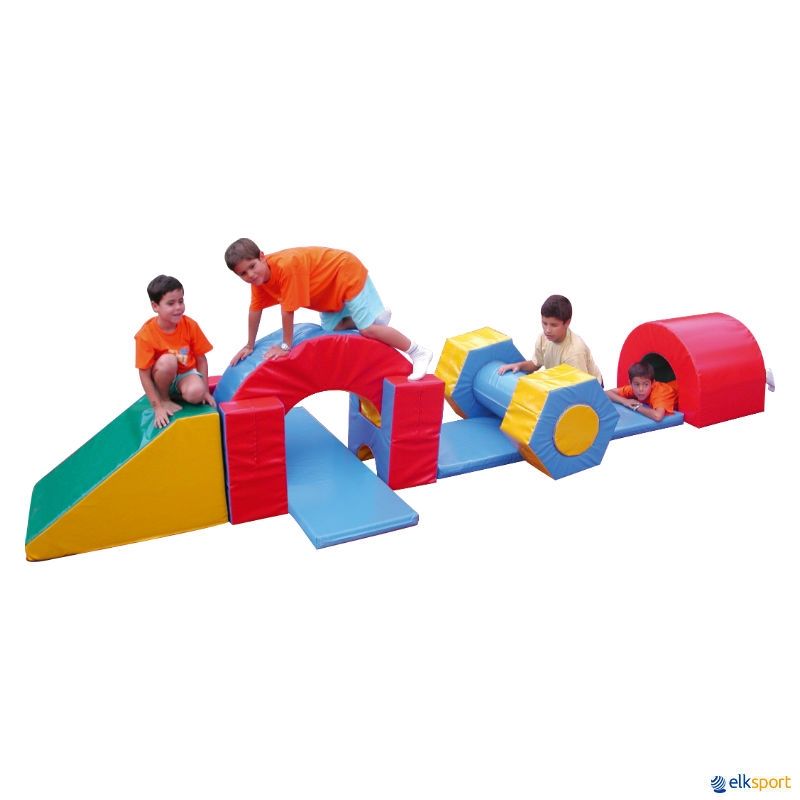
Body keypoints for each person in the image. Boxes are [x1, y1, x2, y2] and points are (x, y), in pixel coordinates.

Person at [224, 240, 433, 380]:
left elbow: (287, 311)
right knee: (331, 331)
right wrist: (249, 345)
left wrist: (286, 346)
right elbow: (255, 311)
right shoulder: (259, 282)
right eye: (243, 274)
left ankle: (418, 351)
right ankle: (372, 317)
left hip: (344, 271)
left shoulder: (286, 267)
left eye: (252, 266)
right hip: (327, 292)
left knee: (367, 330)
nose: (250, 275)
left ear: (262, 256)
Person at [135, 275, 216, 429]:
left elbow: (201, 359)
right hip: (161, 377)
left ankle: (180, 394)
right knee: (168, 361)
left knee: (197, 393)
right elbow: (144, 373)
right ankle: (165, 398)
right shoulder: (146, 335)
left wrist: (205, 391)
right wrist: (157, 407)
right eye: (171, 303)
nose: (178, 307)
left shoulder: (190, 325)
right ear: (155, 306)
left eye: (181, 301)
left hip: (184, 375)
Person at [497, 294, 603, 383]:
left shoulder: (574, 352)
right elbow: (536, 363)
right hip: (562, 381)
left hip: (591, 387)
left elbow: (582, 387)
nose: (547, 330)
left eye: (554, 325)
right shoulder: (543, 338)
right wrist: (519, 366)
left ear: (567, 322)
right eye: (544, 323)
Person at [605, 361, 678, 422]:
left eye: (646, 384)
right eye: (637, 384)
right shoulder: (633, 389)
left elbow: (658, 416)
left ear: (652, 383)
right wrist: (625, 401)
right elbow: (607, 393)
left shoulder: (660, 392)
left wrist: (636, 406)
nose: (641, 389)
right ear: (630, 383)